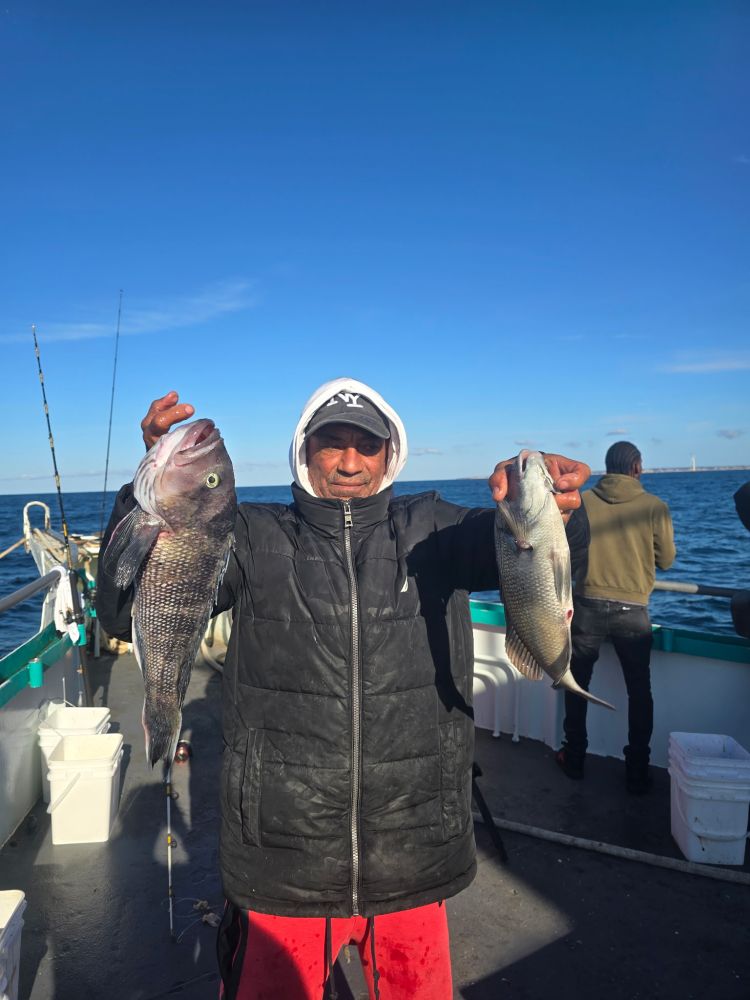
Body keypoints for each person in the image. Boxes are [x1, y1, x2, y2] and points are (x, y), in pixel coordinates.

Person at [97, 378, 591, 1000]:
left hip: (412, 849)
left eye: (368, 445)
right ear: (304, 451)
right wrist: (141, 494)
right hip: (283, 858)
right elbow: (122, 612)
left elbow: (534, 561)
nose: (351, 461)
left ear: (391, 455)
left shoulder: (436, 528)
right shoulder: (250, 536)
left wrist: (560, 510)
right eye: (333, 443)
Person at [555, 440, 676, 794]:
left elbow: (567, 550)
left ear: (606, 468)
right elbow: (666, 560)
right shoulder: (655, 506)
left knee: (577, 686)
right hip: (633, 612)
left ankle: (574, 757)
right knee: (640, 692)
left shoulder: (583, 502)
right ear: (636, 468)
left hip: (586, 607)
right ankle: (637, 770)